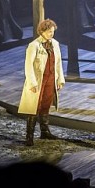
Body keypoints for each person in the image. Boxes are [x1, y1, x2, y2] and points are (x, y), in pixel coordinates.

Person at [18, 18, 65, 146]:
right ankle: (29, 136)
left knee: (46, 104)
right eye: (49, 31)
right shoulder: (34, 45)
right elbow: (28, 65)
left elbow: (58, 63)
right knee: (34, 107)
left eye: (53, 31)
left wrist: (60, 79)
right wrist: (32, 83)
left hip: (51, 78)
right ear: (42, 31)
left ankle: (45, 131)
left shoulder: (55, 44)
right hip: (39, 79)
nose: (51, 34)